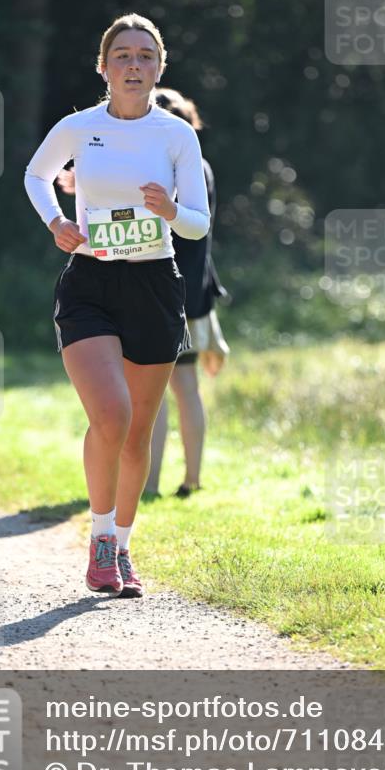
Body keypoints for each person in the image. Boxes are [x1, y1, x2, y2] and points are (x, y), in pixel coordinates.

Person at [23, 13, 210, 598]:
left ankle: (123, 547)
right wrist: (56, 221)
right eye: (123, 55)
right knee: (110, 413)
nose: (134, 65)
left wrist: (169, 210)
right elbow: (35, 174)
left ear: (160, 67)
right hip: (91, 285)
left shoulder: (177, 135)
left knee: (136, 434)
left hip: (155, 285)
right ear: (103, 67)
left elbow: (199, 226)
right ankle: (100, 543)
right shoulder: (78, 127)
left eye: (145, 56)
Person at [143, 88, 229, 499]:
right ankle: (191, 480)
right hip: (195, 296)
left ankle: (150, 485)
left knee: (153, 393)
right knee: (187, 390)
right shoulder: (206, 167)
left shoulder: (169, 168)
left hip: (163, 294)